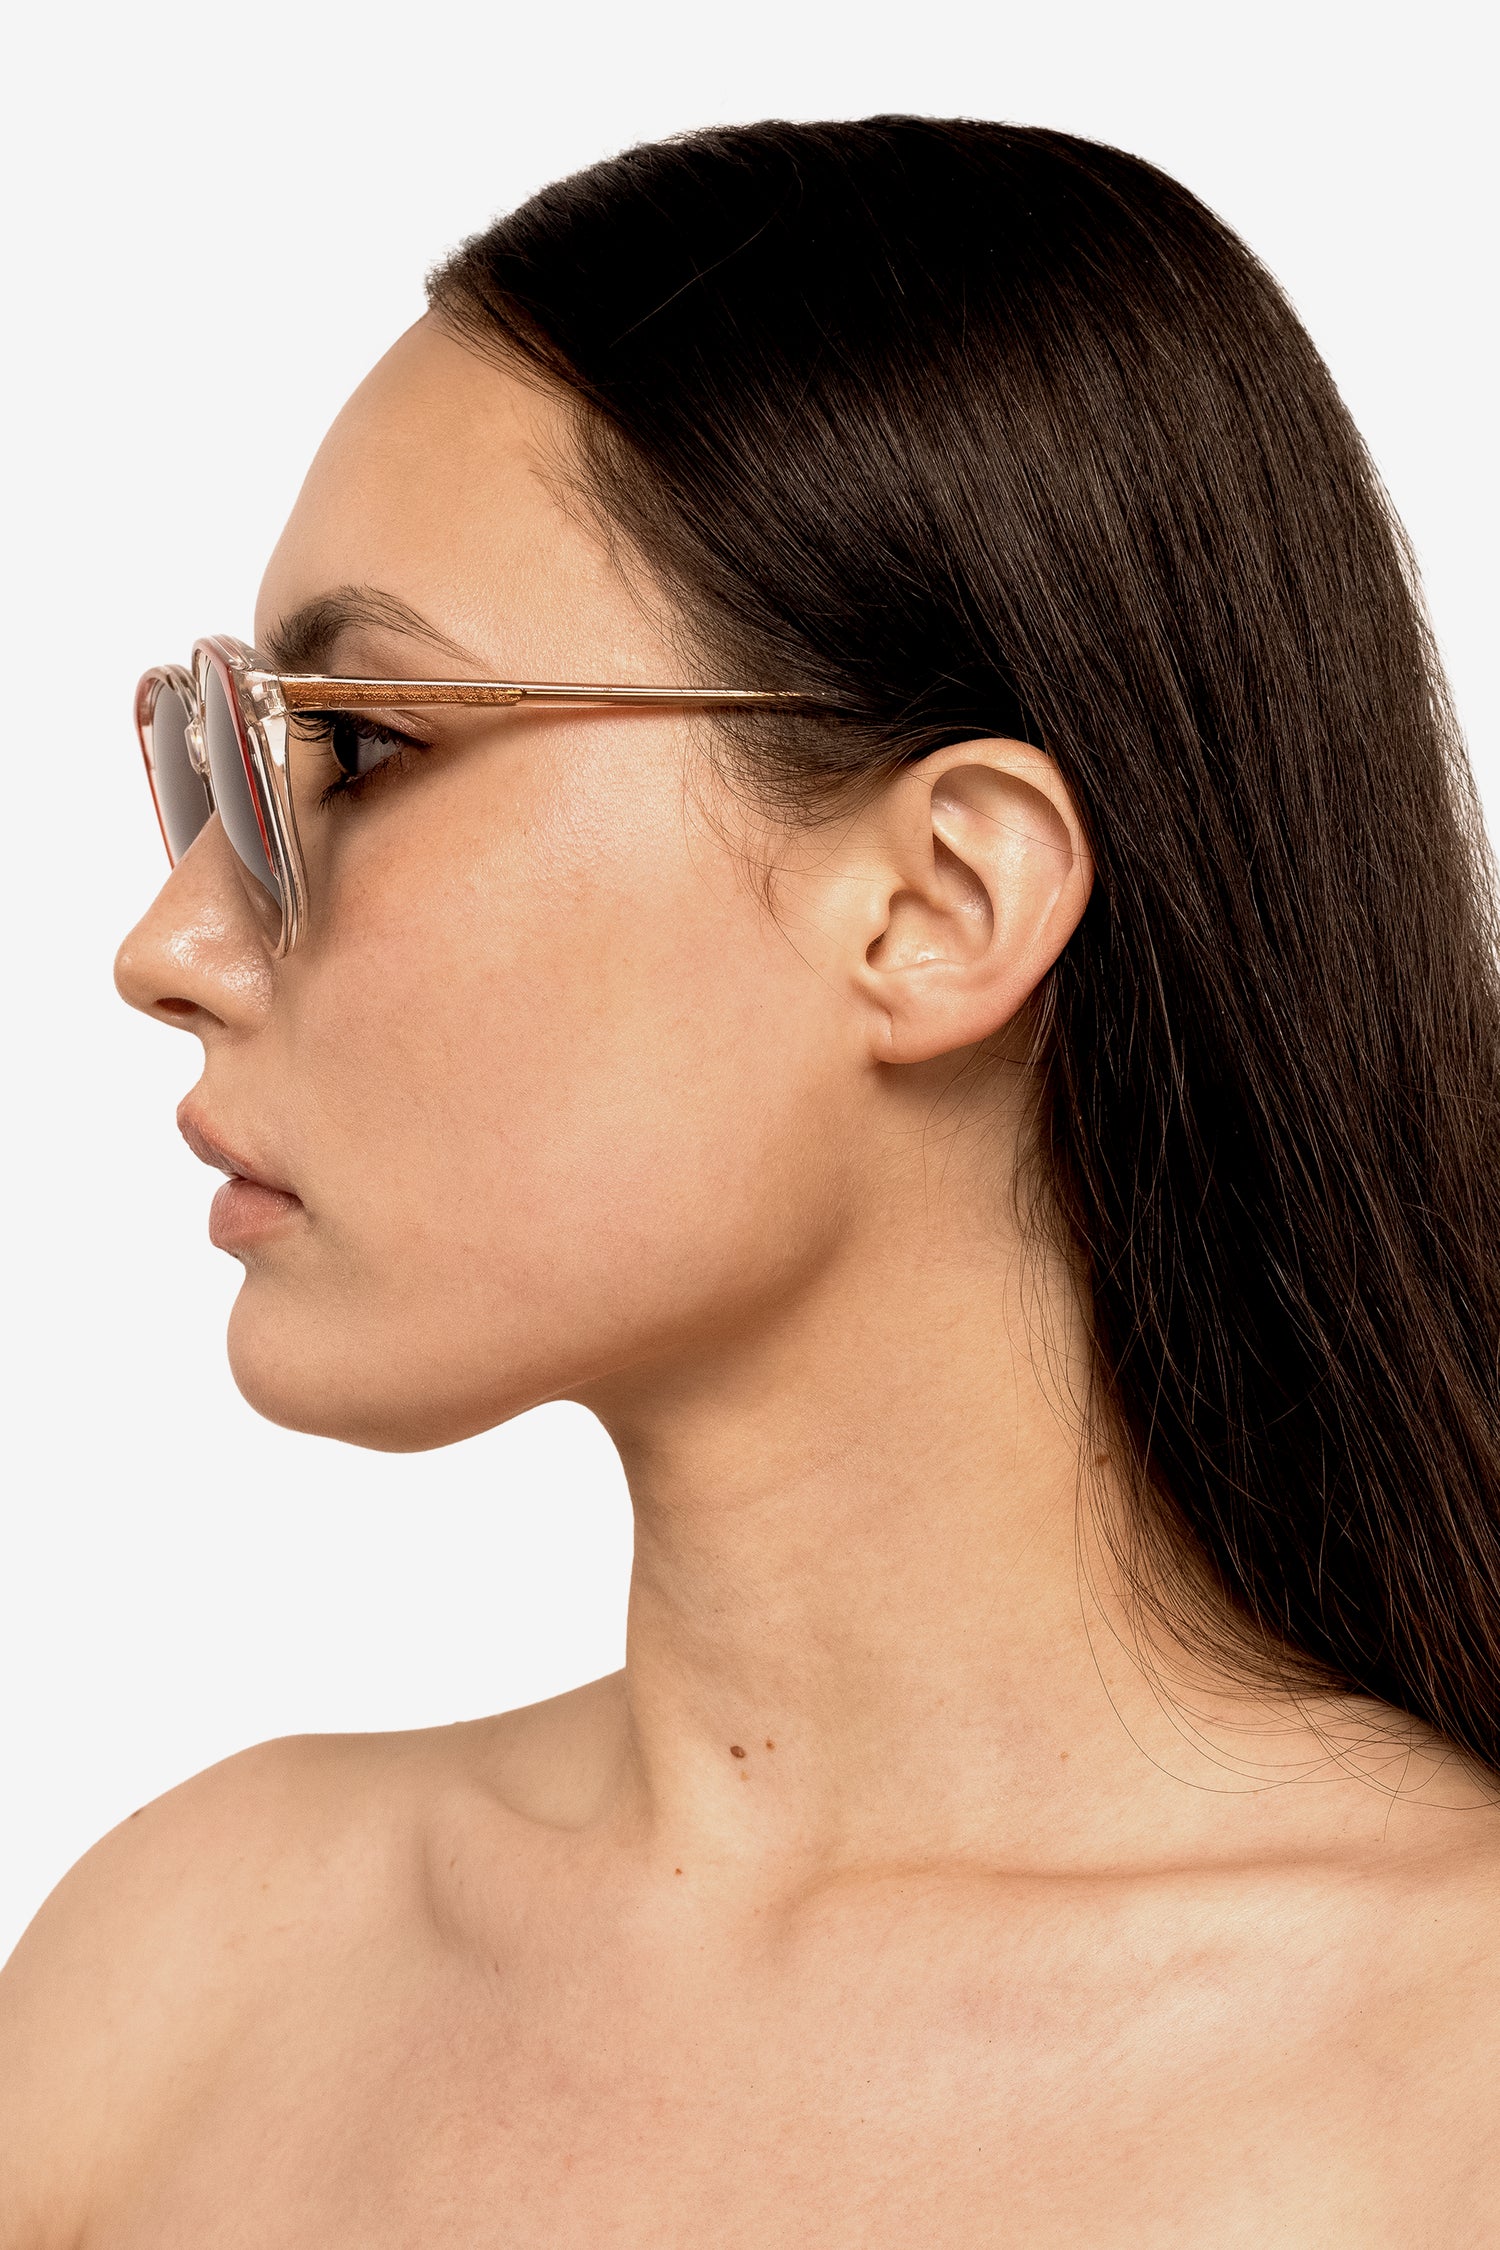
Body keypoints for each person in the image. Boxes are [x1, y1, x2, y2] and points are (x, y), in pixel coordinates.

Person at [3, 116, 1498, 2244]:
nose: (167, 948)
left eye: (363, 747)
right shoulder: (178, 1978)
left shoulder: (1448, 2078)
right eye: (222, 757)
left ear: (939, 902)